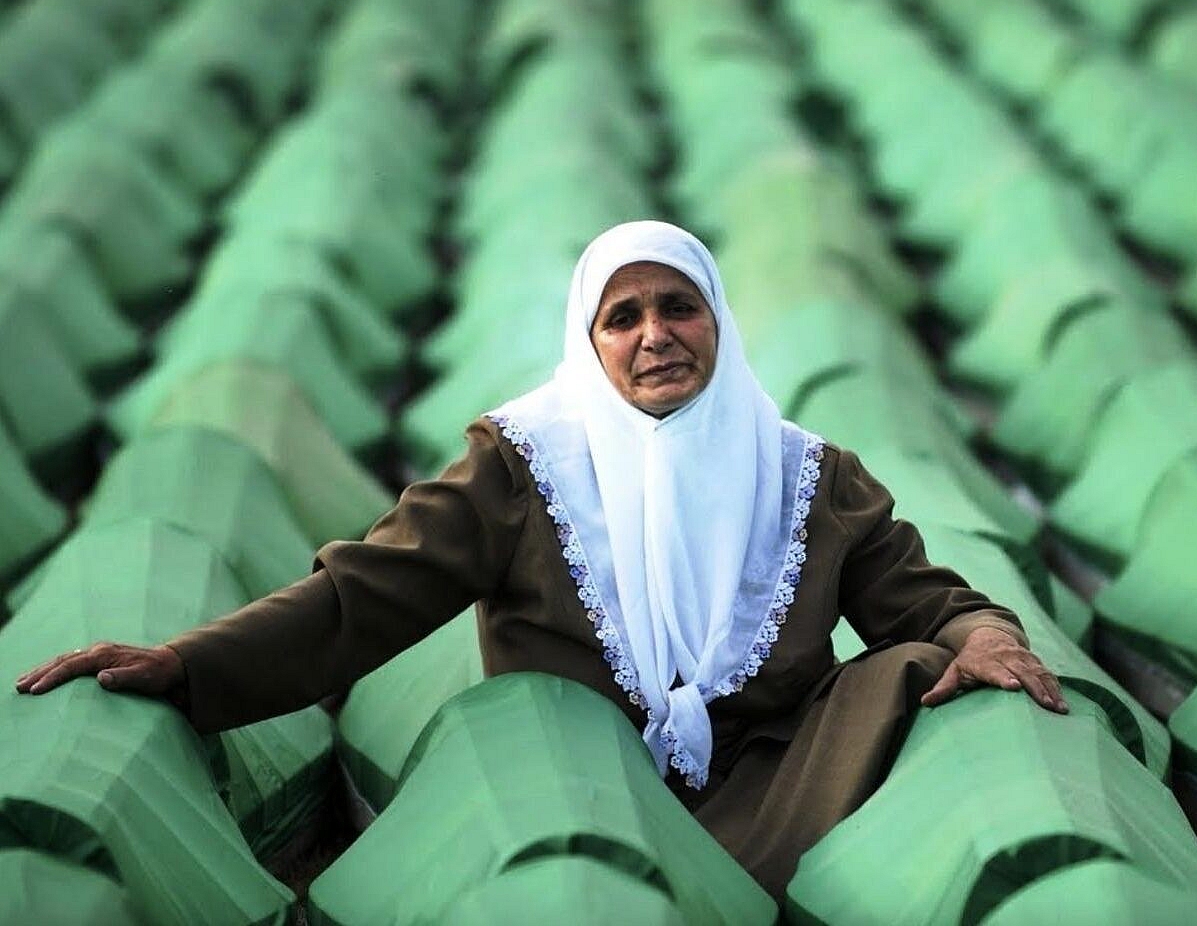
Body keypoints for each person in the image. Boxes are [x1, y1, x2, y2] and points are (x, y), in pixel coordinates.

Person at [16, 220, 1066, 900]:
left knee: (920, 671)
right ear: (591, 342)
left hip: (775, 777)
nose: (655, 335)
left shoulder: (806, 474)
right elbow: (361, 599)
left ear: (717, 322)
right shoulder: (523, 467)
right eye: (624, 317)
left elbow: (924, 601)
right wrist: (188, 667)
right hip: (580, 779)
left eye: (677, 307)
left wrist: (986, 637)